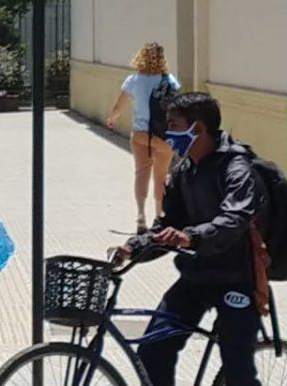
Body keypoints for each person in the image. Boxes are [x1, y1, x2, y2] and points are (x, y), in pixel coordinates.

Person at [113, 92, 268, 386]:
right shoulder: (184, 169)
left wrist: (191, 237)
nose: (167, 132)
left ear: (197, 128)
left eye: (173, 124)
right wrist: (134, 247)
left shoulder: (237, 168)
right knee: (153, 350)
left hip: (237, 279)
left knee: (238, 368)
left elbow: (234, 219)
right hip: (196, 276)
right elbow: (167, 224)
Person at [106, 42, 180, 232]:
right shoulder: (169, 80)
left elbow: (119, 107)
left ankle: (140, 216)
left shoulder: (133, 80)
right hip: (164, 136)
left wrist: (112, 119)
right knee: (161, 176)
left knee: (141, 174)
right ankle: (159, 215)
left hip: (140, 134)